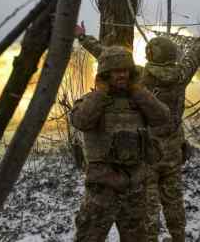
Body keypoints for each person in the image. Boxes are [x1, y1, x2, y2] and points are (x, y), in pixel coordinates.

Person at [74, 22, 200, 242]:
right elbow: (195, 56)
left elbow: (109, 57)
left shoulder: (141, 77)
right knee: (173, 200)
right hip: (172, 150)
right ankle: (178, 237)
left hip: (146, 150)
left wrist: (84, 39)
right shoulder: (181, 74)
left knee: (147, 208)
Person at [70, 44, 170, 242]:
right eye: (115, 71)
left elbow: (162, 117)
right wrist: (100, 94)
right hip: (102, 187)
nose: (121, 75)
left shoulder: (138, 100)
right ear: (106, 74)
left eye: (125, 70)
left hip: (134, 186)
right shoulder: (93, 100)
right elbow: (81, 121)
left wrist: (138, 91)